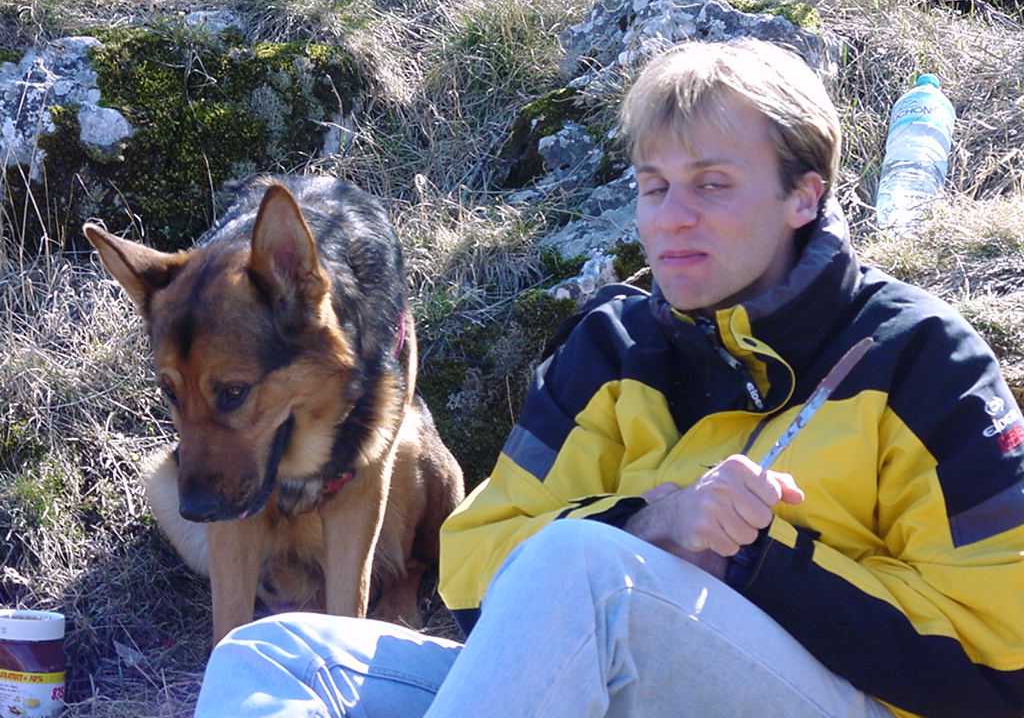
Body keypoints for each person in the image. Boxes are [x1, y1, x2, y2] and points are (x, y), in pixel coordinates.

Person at [193, 38, 1024, 718]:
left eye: (713, 184)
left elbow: (1001, 661)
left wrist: (755, 563)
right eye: (655, 187)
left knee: (583, 569)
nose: (673, 217)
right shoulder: (612, 344)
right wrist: (657, 524)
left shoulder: (924, 361)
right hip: (615, 678)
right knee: (277, 654)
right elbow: (474, 563)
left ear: (803, 197)